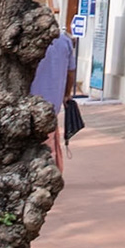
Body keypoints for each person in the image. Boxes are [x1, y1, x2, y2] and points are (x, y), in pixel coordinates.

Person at [32, 20, 78, 172]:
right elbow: (71, 71)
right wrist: (66, 94)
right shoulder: (64, 40)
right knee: (50, 141)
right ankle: (51, 173)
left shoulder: (28, 39)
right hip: (52, 102)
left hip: (27, 100)